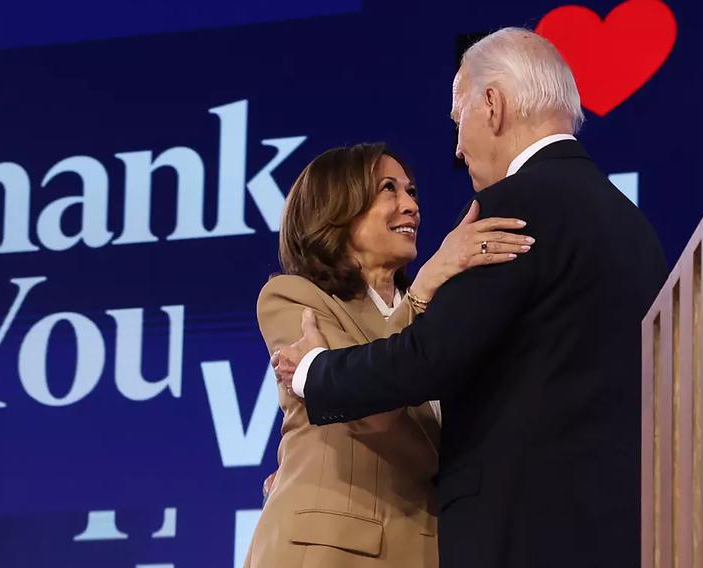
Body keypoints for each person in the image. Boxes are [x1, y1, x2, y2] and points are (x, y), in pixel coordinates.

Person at [273, 28, 668, 567]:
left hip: (521, 529)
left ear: (492, 105)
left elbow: (428, 360)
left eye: (459, 123)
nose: (457, 149)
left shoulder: (517, 205)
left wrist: (312, 373)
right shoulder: (632, 223)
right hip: (621, 526)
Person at [245, 142, 531, 567]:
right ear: (336, 206)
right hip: (327, 551)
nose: (410, 206)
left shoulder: (440, 314)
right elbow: (367, 406)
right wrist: (424, 289)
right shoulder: (295, 298)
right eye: (389, 189)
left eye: (412, 192)